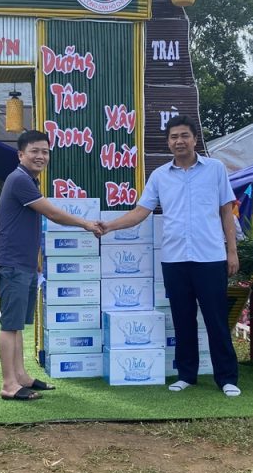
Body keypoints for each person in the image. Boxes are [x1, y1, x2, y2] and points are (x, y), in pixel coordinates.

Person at [99, 116, 241, 397]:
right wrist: (109, 226)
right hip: (174, 259)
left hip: (210, 257)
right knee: (182, 320)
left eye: (184, 135)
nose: (179, 141)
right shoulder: (160, 176)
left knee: (216, 320)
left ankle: (227, 378)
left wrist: (232, 251)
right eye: (174, 137)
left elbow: (227, 212)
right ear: (168, 142)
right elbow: (140, 212)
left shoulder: (215, 169)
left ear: (195, 139)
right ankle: (186, 375)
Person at [0, 129, 102, 401]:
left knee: (17, 325)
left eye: (45, 151)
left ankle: (21, 376)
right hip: (12, 264)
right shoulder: (19, 179)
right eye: (34, 151)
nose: (40, 156)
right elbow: (52, 213)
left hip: (25, 264)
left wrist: (37, 258)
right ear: (21, 154)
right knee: (9, 325)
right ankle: (8, 384)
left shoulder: (29, 180)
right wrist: (86, 223)